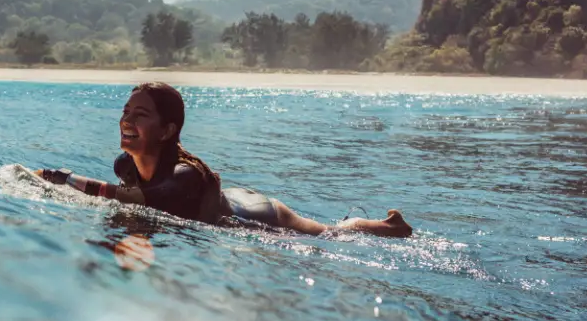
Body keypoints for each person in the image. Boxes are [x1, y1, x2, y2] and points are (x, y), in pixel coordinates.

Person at [35, 82, 412, 238]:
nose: (127, 121)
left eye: (140, 115)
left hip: (260, 212)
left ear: (167, 130)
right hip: (227, 198)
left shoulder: (183, 177)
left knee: (330, 237)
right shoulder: (125, 166)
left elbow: (131, 200)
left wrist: (61, 177)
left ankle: (383, 225)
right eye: (126, 111)